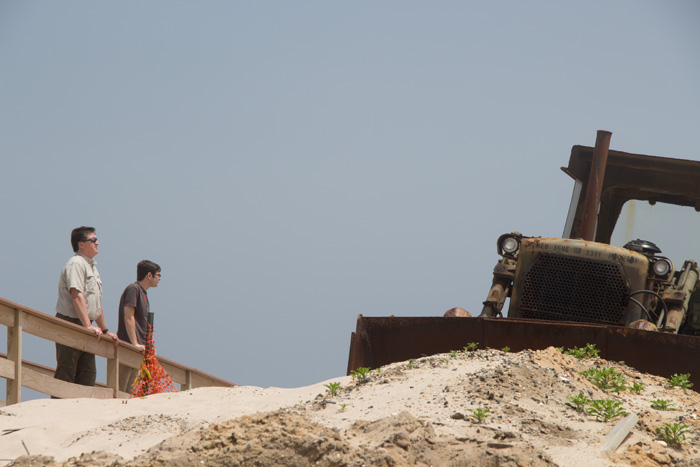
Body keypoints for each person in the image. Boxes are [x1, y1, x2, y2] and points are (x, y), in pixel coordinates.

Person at [55, 226, 119, 387]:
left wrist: (104, 330)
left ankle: (79, 410)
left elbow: (95, 302)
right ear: (81, 244)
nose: (98, 243)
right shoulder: (76, 263)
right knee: (67, 370)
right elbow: (77, 296)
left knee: (88, 373)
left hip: (87, 324)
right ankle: (58, 408)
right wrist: (88, 326)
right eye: (93, 240)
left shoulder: (92, 267)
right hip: (71, 322)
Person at [117, 260, 161, 392]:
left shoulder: (144, 293)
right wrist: (134, 343)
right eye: (158, 275)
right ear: (149, 275)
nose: (159, 279)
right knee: (119, 388)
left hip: (140, 348)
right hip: (128, 346)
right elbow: (129, 316)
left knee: (129, 389)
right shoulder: (133, 289)